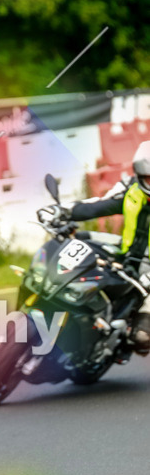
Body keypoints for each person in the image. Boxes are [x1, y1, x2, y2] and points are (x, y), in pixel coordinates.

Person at [39, 140, 150, 354]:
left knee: (142, 336)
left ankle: (119, 339)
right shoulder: (131, 190)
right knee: (76, 240)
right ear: (139, 175)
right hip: (124, 252)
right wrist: (62, 212)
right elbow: (97, 205)